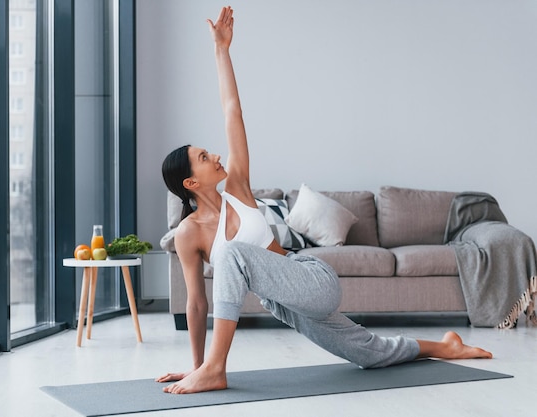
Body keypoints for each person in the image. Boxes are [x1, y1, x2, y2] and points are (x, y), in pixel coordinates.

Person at [157, 6, 492, 395]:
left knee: (231, 254)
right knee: (370, 353)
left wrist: (221, 51)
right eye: (203, 158)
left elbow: (233, 110)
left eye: (209, 152)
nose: (215, 156)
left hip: (312, 278)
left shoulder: (238, 188)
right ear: (189, 182)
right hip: (287, 302)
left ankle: (218, 368)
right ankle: (447, 346)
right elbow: (196, 304)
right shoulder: (187, 234)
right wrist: (192, 368)